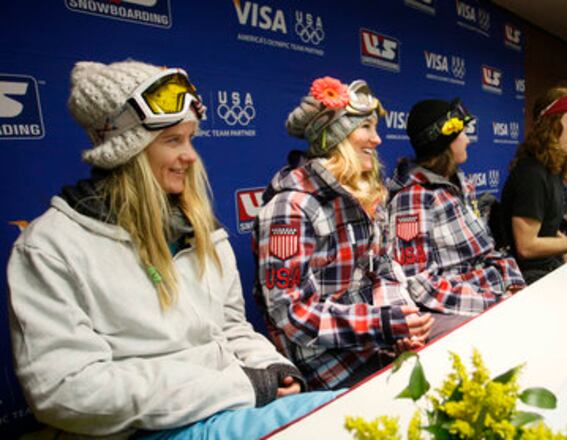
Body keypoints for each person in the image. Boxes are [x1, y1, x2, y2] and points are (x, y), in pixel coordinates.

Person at [7, 60, 337, 439]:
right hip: (144, 431)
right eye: (172, 140)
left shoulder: (204, 230)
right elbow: (65, 390)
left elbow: (231, 328)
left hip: (232, 405)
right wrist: (241, 386)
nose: (190, 156)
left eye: (190, 138)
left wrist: (274, 369)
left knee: (352, 412)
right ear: (127, 151)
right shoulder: (51, 247)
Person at [254, 76, 434, 390]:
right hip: (325, 369)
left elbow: (384, 269)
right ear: (334, 137)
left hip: (374, 347)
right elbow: (291, 313)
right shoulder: (291, 207)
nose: (377, 139)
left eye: (375, 128)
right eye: (366, 127)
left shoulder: (366, 195)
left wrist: (401, 327)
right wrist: (383, 325)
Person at [385, 98, 525, 316]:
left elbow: (488, 251)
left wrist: (514, 282)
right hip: (461, 309)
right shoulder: (413, 199)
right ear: (444, 142)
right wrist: (495, 302)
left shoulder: (459, 182)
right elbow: (419, 283)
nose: (468, 140)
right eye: (462, 133)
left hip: (494, 293)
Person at [500, 87, 567, 284]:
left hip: (548, 267)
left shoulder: (551, 169)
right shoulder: (531, 173)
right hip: (528, 278)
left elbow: (546, 229)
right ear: (549, 125)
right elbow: (526, 246)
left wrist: (565, 245)